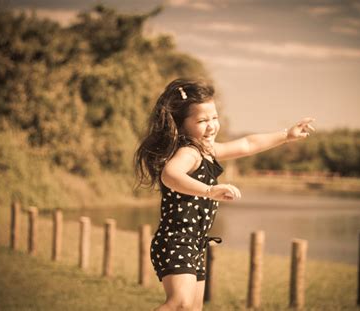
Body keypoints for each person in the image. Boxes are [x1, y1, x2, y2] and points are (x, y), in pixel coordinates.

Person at [134, 78, 315, 311]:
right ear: (181, 124)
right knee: (180, 304)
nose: (211, 126)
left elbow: (248, 144)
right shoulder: (189, 152)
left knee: (192, 309)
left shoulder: (208, 151)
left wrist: (286, 135)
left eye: (214, 118)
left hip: (195, 243)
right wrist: (209, 191)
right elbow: (170, 175)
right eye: (202, 120)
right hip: (176, 240)